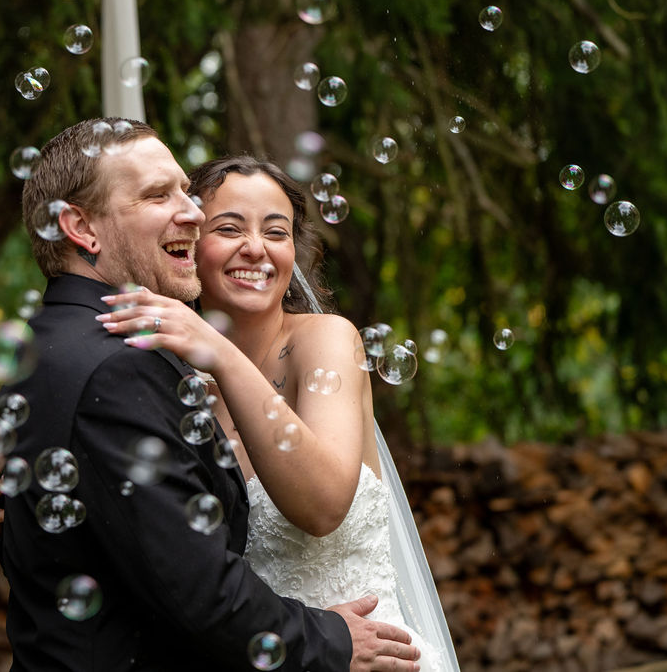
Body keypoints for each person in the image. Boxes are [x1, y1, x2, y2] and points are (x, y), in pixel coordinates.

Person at [0, 117, 422, 671]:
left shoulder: (46, 349)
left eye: (277, 231)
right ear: (81, 228)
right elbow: (189, 582)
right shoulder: (126, 367)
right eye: (160, 196)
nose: (190, 214)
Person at [89, 155, 458, 672]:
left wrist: (220, 354)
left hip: (370, 658)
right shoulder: (167, 381)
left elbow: (323, 506)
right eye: (229, 228)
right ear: (188, 244)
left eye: (276, 232)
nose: (256, 248)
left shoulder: (326, 341)